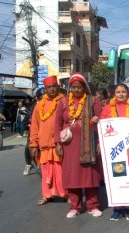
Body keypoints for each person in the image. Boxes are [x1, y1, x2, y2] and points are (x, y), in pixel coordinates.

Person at [54, 72, 103, 219]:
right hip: (69, 146)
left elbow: (101, 121)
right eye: (73, 87)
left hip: (90, 142)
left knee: (90, 176)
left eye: (79, 86)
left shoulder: (93, 100)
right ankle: (75, 207)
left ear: (84, 87)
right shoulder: (63, 102)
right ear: (70, 88)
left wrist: (99, 140)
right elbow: (57, 124)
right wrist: (58, 143)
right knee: (72, 176)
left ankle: (93, 206)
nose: (76, 89)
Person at [100, 83, 129, 221]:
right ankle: (117, 208)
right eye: (118, 92)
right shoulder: (107, 108)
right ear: (114, 94)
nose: (121, 94)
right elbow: (102, 126)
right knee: (117, 178)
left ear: (128, 93)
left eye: (124, 92)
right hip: (115, 151)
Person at [29, 76, 68, 205]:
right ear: (45, 89)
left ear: (57, 86)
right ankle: (47, 195)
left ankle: (66, 194)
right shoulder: (39, 106)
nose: (52, 89)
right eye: (49, 87)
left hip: (60, 144)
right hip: (44, 145)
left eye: (54, 86)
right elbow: (34, 126)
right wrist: (33, 144)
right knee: (45, 172)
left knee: (61, 170)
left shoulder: (64, 101)